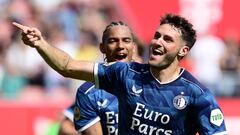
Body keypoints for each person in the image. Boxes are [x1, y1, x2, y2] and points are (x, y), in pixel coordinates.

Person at [13, 13, 227, 135]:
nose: (157, 42)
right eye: (157, 35)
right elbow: (67, 66)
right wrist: (40, 43)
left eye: (167, 39)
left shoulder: (198, 95)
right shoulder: (125, 74)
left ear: (183, 51)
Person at [58, 21, 140, 135]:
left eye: (126, 41)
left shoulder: (150, 84)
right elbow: (64, 127)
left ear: (134, 48)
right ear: (103, 48)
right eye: (113, 41)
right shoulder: (90, 91)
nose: (120, 47)